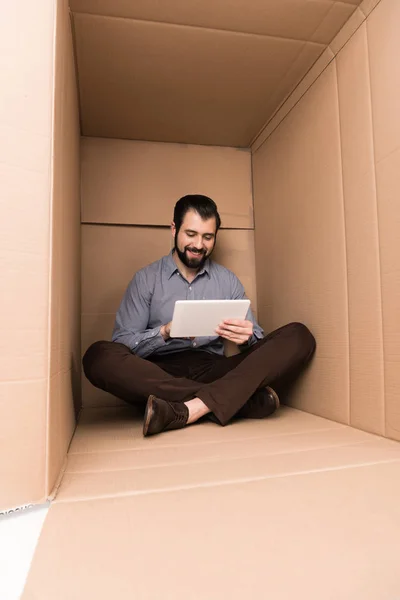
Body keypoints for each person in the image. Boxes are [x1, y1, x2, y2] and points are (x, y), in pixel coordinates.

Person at [83, 195, 316, 437]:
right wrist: (163, 333)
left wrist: (247, 337)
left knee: (300, 336)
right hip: (157, 374)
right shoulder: (146, 279)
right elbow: (122, 344)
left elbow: (259, 348)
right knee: (97, 356)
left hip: (214, 368)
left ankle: (189, 408)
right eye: (191, 234)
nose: (199, 245)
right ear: (174, 229)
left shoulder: (227, 281)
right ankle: (236, 401)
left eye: (208, 237)